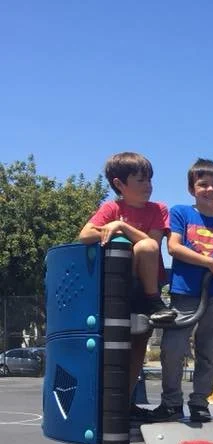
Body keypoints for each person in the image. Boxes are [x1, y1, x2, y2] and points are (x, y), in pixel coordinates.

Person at [77, 151, 174, 421]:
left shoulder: (158, 210)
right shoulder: (110, 208)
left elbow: (151, 243)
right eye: (141, 180)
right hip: (118, 289)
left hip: (143, 289)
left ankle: (125, 402)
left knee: (137, 349)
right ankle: (105, 403)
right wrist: (114, 222)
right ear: (120, 184)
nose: (148, 186)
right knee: (112, 349)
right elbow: (85, 234)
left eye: (150, 180)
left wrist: (120, 227)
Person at [152, 158, 213, 423]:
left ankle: (200, 401)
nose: (210, 189)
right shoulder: (181, 212)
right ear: (192, 188)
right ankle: (171, 402)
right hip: (186, 291)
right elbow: (174, 247)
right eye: (203, 184)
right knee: (173, 346)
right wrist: (208, 263)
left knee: (209, 350)